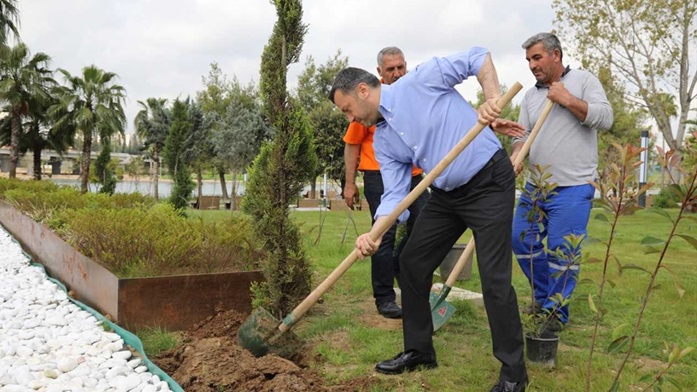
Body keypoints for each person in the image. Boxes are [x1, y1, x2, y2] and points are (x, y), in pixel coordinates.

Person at [330, 47, 528, 392]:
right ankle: (420, 351)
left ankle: (513, 373)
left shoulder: (420, 80)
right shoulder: (385, 138)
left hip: (489, 182)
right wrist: (374, 233)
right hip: (447, 196)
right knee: (411, 263)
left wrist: (492, 99)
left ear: (363, 90)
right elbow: (395, 195)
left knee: (494, 280)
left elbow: (477, 57)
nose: (350, 118)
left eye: (347, 109)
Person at [510, 32, 613, 331]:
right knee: (521, 240)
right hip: (536, 185)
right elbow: (522, 135)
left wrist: (567, 99)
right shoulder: (530, 96)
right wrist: (517, 154)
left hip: (573, 185)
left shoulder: (584, 80)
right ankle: (544, 298)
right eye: (528, 59)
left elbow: (606, 118)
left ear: (556, 55)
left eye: (537, 57)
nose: (531, 65)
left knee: (561, 251)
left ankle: (555, 313)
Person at [343, 47, 429, 319]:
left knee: (426, 223)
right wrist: (349, 184)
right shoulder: (368, 100)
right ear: (379, 72)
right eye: (390, 69)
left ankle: (397, 264)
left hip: (414, 174)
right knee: (384, 234)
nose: (397, 73)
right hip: (379, 176)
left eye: (400, 67)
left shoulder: (411, 95)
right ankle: (384, 297)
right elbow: (351, 145)